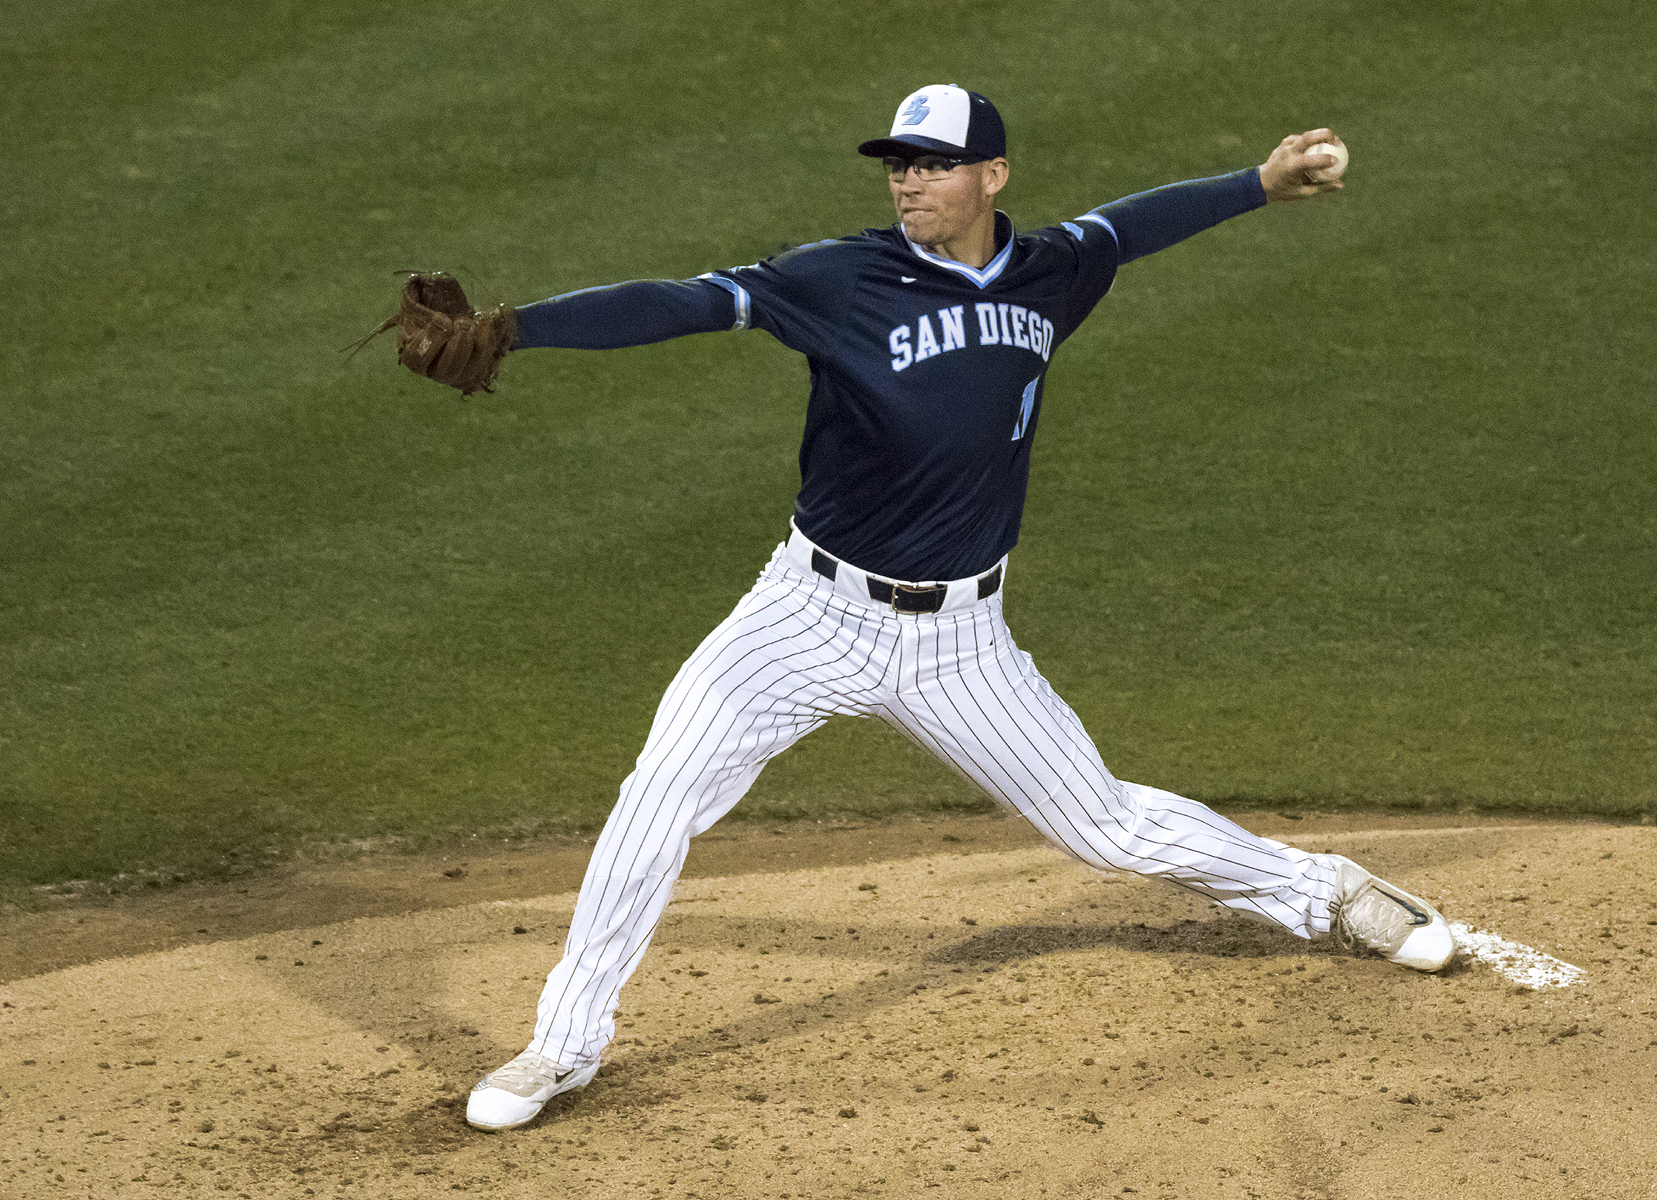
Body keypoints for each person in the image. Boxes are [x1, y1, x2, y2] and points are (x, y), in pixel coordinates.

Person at [458, 84, 1453, 1133]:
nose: (908, 182)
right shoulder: (838, 278)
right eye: (899, 164)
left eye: (932, 164)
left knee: (1103, 823)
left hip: (960, 644)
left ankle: (1329, 893)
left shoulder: (1050, 271)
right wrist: (518, 328)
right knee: (658, 794)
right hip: (805, 616)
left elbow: (1133, 226)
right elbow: (684, 302)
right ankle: (562, 1047)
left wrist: (1259, 184)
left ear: (992, 176)